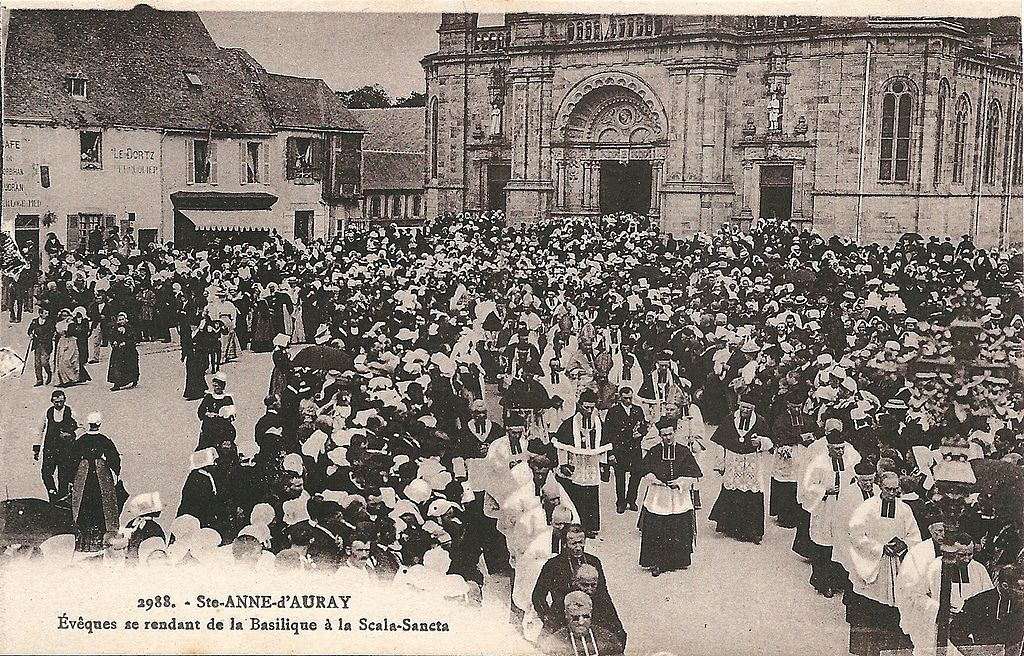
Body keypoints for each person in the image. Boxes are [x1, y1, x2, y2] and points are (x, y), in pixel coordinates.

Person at [845, 471, 922, 655]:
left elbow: (914, 536)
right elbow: (855, 535)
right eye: (888, 489)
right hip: (873, 565)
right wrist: (879, 548)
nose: (892, 493)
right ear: (879, 486)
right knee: (869, 607)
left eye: (896, 489)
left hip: (896, 565)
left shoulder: (905, 510)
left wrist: (904, 545)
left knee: (893, 608)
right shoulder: (867, 507)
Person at [800, 421, 862, 597]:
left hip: (843, 508)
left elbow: (857, 473)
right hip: (825, 507)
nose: (841, 452)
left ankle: (839, 581)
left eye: (842, 448)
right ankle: (823, 582)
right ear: (828, 448)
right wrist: (824, 491)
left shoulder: (850, 457)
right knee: (824, 546)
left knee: (841, 544)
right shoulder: (819, 464)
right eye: (837, 449)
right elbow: (808, 486)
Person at [639, 416, 702, 576]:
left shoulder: (683, 451)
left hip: (678, 495)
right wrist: (655, 480)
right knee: (658, 527)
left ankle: (677, 560)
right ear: (660, 435)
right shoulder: (654, 451)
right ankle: (657, 562)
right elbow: (644, 470)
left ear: (675, 432)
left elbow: (694, 473)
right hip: (659, 494)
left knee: (677, 527)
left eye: (670, 434)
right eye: (664, 435)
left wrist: (681, 482)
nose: (667, 438)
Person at [708, 393, 773, 544]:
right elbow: (720, 442)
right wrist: (720, 463)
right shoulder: (730, 419)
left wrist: (761, 442)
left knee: (752, 495)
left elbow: (770, 442)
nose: (744, 410)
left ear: (753, 408)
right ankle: (730, 527)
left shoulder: (761, 421)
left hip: (752, 462)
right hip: (733, 460)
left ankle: (752, 531)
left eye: (748, 408)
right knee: (731, 491)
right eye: (742, 407)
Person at [532, 524, 610, 635]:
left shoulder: (594, 561)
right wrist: (548, 618)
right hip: (561, 616)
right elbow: (538, 596)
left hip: (592, 615)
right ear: (564, 544)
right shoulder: (553, 565)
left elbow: (603, 593)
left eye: (581, 542)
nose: (578, 548)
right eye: (573, 544)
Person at [553, 390, 609, 537]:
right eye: (586, 407)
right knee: (577, 495)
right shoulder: (569, 424)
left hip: (591, 466)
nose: (589, 411)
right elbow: (561, 446)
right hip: (576, 465)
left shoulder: (598, 424)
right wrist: (563, 464)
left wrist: (603, 464)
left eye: (592, 408)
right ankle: (577, 525)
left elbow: (603, 446)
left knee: (591, 496)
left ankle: (590, 527)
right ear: (579, 406)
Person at [68, 412, 125, 552]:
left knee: (83, 504)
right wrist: (115, 472)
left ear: (89, 424)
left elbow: (71, 460)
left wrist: (71, 479)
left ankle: (83, 539)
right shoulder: (104, 440)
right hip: (100, 475)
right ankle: (101, 538)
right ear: (99, 424)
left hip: (84, 474)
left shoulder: (81, 440)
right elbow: (114, 458)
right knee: (103, 504)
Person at [603, 386, 648, 514]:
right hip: (620, 450)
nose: (628, 401)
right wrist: (610, 454)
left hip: (635, 449)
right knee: (620, 477)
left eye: (630, 398)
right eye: (625, 398)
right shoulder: (613, 412)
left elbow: (644, 426)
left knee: (636, 475)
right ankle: (621, 502)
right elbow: (607, 434)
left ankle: (631, 500)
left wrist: (641, 433)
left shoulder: (637, 410)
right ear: (620, 398)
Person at [537, 591, 624, 656]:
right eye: (575, 618)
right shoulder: (554, 643)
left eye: (586, 617)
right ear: (566, 615)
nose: (581, 622)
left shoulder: (607, 638)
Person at [35, 389, 77, 503]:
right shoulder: (47, 413)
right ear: (52, 402)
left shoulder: (70, 411)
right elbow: (39, 429)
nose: (59, 404)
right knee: (46, 473)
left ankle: (62, 498)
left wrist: (70, 435)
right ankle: (52, 493)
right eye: (56, 402)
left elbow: (81, 427)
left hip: (65, 450)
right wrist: (36, 447)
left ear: (65, 400)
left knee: (63, 475)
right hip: (50, 449)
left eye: (61, 401)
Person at [107, 312, 139, 391]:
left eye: (122, 319)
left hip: (129, 352)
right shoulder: (114, 329)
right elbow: (111, 336)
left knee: (130, 366)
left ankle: (133, 379)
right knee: (117, 366)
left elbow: (134, 339)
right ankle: (117, 383)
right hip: (118, 351)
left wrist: (126, 343)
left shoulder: (130, 328)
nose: (121, 321)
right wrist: (113, 341)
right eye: (119, 320)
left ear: (126, 320)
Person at [53, 310, 82, 387]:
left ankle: (71, 378)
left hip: (70, 342)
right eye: (63, 316)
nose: (64, 317)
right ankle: (63, 380)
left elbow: (72, 332)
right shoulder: (59, 324)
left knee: (68, 360)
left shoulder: (71, 323)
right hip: (62, 342)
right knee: (60, 361)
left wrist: (65, 333)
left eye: (66, 315)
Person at [27, 306, 55, 386]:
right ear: (40, 313)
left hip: (46, 344)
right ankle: (39, 379)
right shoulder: (35, 321)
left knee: (44, 361)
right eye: (45, 313)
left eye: (47, 313)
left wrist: (46, 338)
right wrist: (31, 334)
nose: (47, 314)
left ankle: (49, 373)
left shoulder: (50, 321)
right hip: (37, 344)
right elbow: (29, 330)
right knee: (37, 362)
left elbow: (51, 332)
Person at [269, 333, 292, 402]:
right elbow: (283, 364)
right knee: (279, 387)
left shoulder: (280, 352)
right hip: (280, 372)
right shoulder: (278, 353)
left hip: (280, 371)